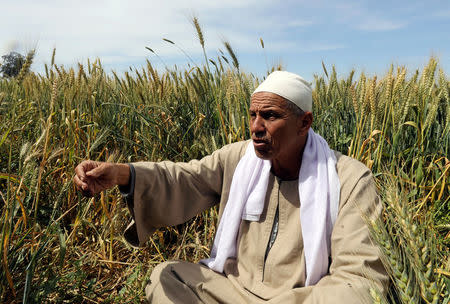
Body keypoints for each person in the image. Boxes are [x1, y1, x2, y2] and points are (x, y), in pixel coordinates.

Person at [74, 71, 388, 303]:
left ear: (304, 122)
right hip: (235, 292)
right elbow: (187, 179)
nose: (255, 127)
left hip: (300, 299)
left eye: (270, 116)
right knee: (167, 276)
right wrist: (123, 174)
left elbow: (358, 276)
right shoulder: (239, 159)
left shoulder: (348, 178)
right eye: (252, 115)